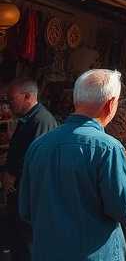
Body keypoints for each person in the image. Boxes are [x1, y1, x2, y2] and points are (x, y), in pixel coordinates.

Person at [18, 69, 126, 261]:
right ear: (110, 105)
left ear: (77, 101)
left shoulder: (38, 146)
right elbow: (125, 209)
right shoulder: (107, 148)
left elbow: (25, 210)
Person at [3, 78, 57, 261]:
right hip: (20, 194)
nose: (8, 105)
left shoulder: (41, 120)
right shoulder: (28, 119)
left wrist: (13, 174)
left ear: (27, 96)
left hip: (30, 196)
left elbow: (36, 158)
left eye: (11, 99)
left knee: (28, 246)